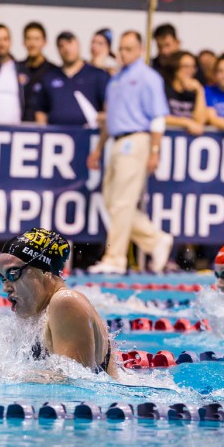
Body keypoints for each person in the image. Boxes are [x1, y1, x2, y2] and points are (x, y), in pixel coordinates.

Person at [86, 31, 173, 275]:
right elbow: (109, 118)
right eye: (121, 49)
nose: (123, 53)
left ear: (139, 50)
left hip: (136, 140)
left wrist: (155, 150)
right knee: (112, 201)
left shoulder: (148, 77)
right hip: (115, 141)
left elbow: (158, 117)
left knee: (122, 201)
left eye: (128, 49)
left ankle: (115, 258)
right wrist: (98, 148)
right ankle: (155, 239)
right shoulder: (115, 79)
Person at [0, 228, 116, 376]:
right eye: (3, 278)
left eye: (13, 273)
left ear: (44, 271)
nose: (5, 287)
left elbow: (75, 382)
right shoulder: (40, 315)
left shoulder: (65, 301)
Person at [34, 31, 109, 127]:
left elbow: (108, 107)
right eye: (61, 46)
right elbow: (41, 111)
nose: (66, 49)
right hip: (56, 136)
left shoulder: (97, 75)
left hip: (88, 136)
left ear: (78, 45)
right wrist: (43, 132)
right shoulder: (49, 77)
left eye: (70, 43)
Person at [163, 51, 206, 135]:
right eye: (186, 66)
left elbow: (200, 121)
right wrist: (186, 122)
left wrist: (200, 91)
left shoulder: (194, 93)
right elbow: (160, 117)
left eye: (193, 67)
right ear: (175, 68)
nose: (190, 71)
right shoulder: (164, 89)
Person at [19, 22, 56, 121]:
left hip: (44, 130)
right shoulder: (16, 69)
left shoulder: (54, 71)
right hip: (19, 129)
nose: (32, 43)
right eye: (29, 38)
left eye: (36, 39)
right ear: (24, 42)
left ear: (44, 42)